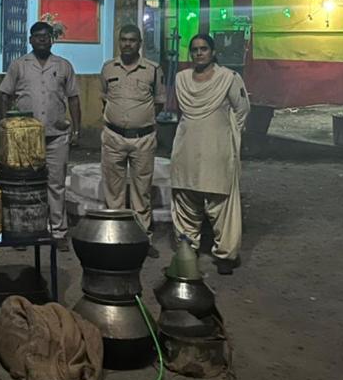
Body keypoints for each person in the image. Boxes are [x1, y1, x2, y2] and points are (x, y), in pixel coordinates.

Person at [171, 33, 250, 275]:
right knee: (186, 199)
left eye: (204, 48)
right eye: (194, 49)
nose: (199, 53)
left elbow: (241, 111)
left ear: (213, 52)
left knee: (221, 203)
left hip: (217, 150)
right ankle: (187, 249)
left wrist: (225, 136)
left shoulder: (229, 78)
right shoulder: (182, 79)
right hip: (186, 149)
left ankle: (225, 255)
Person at [0, 21, 82, 252]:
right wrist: (6, 127)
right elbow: (4, 94)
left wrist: (77, 130)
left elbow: (74, 98)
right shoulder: (19, 65)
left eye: (46, 35)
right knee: (24, 185)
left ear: (52, 39)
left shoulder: (63, 66)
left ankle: (58, 232)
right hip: (25, 139)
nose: (42, 39)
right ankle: (23, 231)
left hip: (57, 136)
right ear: (30, 40)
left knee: (56, 184)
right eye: (37, 36)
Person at [99, 24, 165, 257]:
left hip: (143, 139)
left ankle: (142, 240)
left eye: (132, 40)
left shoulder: (153, 70)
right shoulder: (108, 68)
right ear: (119, 42)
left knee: (141, 192)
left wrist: (140, 120)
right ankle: (115, 237)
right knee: (113, 191)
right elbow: (105, 99)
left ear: (140, 43)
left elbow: (159, 102)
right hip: (113, 138)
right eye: (124, 39)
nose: (127, 44)